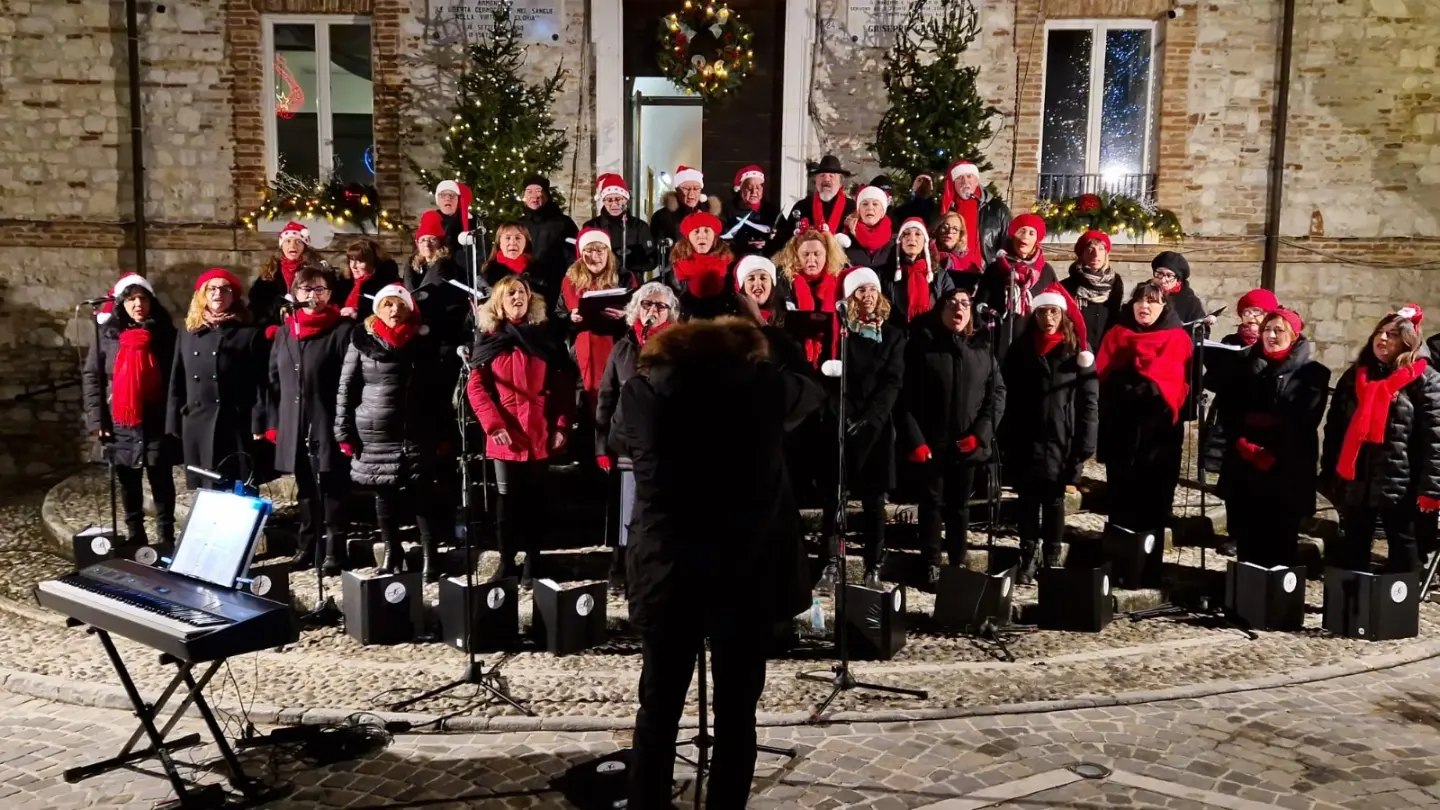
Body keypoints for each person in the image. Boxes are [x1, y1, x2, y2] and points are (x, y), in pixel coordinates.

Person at [612, 315, 824, 810]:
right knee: (736, 714)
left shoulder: (642, 393)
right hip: (744, 569)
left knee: (658, 710)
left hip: (669, 566)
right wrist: (767, 342)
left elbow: (620, 440)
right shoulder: (766, 387)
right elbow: (812, 390)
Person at [466, 276, 577, 587]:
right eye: (511, 294)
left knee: (536, 500)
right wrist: (494, 424)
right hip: (506, 433)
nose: (518, 298)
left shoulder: (544, 338)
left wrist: (560, 425)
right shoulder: (491, 339)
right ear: (499, 302)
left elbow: (563, 387)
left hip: (539, 430)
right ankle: (507, 559)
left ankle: (534, 559)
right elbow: (476, 388)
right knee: (508, 501)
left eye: (523, 293)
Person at [336, 284, 448, 578]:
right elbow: (347, 387)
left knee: (422, 492)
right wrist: (344, 431)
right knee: (383, 493)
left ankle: (429, 555)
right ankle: (391, 550)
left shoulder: (423, 341)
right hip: (375, 429)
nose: (394, 310)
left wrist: (444, 431)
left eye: (400, 305)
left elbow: (438, 390)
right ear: (378, 309)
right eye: (387, 304)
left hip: (415, 426)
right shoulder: (361, 341)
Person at [1321, 305, 1440, 574]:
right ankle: (1352, 608)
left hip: (1403, 484)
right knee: (1353, 545)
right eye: (1380, 332)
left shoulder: (1426, 381)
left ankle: (1398, 609)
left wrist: (1431, 488)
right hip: (1358, 480)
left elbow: (1436, 441)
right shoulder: (1356, 377)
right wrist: (1330, 470)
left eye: (1393, 335)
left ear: (1408, 342)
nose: (1383, 339)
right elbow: (1336, 427)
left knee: (1403, 547)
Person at [899, 286, 1006, 583]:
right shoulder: (923, 346)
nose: (958, 309)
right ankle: (931, 563)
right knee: (932, 504)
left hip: (967, 443)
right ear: (942, 310)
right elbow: (905, 398)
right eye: (952, 303)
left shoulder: (981, 346)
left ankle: (958, 562)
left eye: (965, 304)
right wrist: (915, 440)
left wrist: (981, 434)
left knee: (960, 507)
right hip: (933, 443)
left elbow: (997, 393)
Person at [1214, 307, 1330, 568]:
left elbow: (1301, 420)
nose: (1271, 335)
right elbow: (1230, 410)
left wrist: (1270, 449)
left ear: (1294, 335)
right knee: (1247, 537)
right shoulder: (1245, 366)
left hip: (1286, 466)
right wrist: (1243, 442)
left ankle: (1277, 600)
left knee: (1280, 540)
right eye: (1267, 329)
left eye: (1279, 330)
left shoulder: (1313, 373)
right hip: (1245, 462)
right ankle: (1246, 596)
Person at [1001, 285, 1097, 584]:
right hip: (1026, 437)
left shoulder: (1076, 352)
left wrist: (1085, 443)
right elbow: (1008, 393)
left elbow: (1089, 400)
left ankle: (1053, 555)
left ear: (1062, 315)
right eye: (1042, 312)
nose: (1048, 318)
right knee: (1028, 501)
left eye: (1053, 311)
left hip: (1062, 438)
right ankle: (1028, 554)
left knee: (1054, 501)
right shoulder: (1021, 349)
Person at [265, 266, 355, 575]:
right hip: (296, 422)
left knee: (332, 489)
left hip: (328, 421)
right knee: (305, 489)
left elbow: (351, 380)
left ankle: (334, 549)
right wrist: (277, 421)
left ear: (329, 295)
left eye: (319, 289)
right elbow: (273, 378)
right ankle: (308, 546)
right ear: (295, 294)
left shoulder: (341, 331)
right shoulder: (288, 331)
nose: (312, 296)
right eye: (306, 290)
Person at [594, 281, 679, 594]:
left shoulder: (678, 347)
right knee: (625, 511)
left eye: (659, 305)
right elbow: (606, 395)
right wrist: (602, 445)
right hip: (626, 443)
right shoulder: (623, 347)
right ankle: (620, 568)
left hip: (665, 443)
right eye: (646, 304)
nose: (652, 310)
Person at [83, 274, 179, 550]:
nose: (138, 304)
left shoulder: (165, 335)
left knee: (161, 480)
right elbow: (93, 377)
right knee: (128, 481)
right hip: (121, 421)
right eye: (131, 299)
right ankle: (136, 533)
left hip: (156, 417)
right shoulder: (108, 336)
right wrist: (96, 418)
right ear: (121, 304)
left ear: (151, 302)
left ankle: (166, 537)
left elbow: (176, 376)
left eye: (143, 298)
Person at [1095, 281, 1193, 536]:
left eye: (1152, 301)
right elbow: (1101, 375)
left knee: (1152, 506)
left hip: (1157, 437)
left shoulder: (1177, 338)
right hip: (1121, 430)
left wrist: (1148, 389)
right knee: (1120, 502)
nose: (1144, 306)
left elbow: (1178, 384)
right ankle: (1117, 565)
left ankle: (1149, 570)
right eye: (1140, 300)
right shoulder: (1117, 333)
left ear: (1164, 306)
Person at [828, 267, 906, 586]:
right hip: (844, 424)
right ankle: (834, 558)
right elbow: (832, 377)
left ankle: (875, 562)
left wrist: (870, 419)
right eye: (860, 291)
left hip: (876, 427)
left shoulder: (894, 335)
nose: (868, 296)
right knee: (836, 497)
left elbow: (893, 381)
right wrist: (844, 416)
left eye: (871, 290)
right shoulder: (842, 332)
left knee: (874, 501)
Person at [167, 268, 269, 489]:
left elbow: (262, 382)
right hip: (197, 420)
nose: (218, 294)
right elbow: (177, 378)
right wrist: (173, 419)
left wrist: (259, 422)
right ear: (202, 294)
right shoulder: (188, 332)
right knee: (206, 484)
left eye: (225, 289)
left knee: (239, 483)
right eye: (212, 288)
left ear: (234, 296)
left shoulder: (248, 333)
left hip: (235, 423)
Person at [1201, 287, 1280, 558]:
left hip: (1260, 423)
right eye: (1247, 311)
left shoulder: (1273, 341)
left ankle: (1255, 533)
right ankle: (1235, 533)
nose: (1252, 317)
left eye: (1258, 312)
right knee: (1233, 481)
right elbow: (1213, 382)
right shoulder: (1231, 340)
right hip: (1230, 418)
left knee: (1256, 481)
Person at [556, 227, 635, 450]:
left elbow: (638, 312)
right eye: (588, 251)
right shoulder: (569, 280)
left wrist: (625, 316)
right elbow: (558, 316)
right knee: (585, 408)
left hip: (616, 348)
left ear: (608, 253)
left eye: (600, 250)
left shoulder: (624, 277)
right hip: (583, 352)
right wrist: (570, 317)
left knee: (614, 403)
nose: (594, 256)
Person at [977, 213, 1058, 363]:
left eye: (1031, 233)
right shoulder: (995, 269)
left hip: (1033, 345)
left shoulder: (1046, 271)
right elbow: (980, 306)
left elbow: (1056, 310)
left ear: (1036, 240)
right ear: (1013, 235)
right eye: (1021, 231)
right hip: (998, 343)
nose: (1025, 236)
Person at [774, 229, 845, 366]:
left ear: (827, 255)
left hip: (831, 356)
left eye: (817, 254)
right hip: (795, 354)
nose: (811, 260)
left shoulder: (840, 282)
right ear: (796, 256)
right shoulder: (785, 283)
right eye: (805, 254)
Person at [883, 216, 956, 328]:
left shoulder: (939, 276)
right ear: (900, 241)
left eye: (917, 234)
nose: (912, 239)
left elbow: (951, 305)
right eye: (906, 234)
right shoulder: (888, 274)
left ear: (925, 241)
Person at [663, 210, 735, 321]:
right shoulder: (677, 267)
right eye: (696, 231)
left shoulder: (729, 265)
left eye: (707, 231)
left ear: (714, 236)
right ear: (688, 237)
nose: (702, 236)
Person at [1059, 230, 1123, 353]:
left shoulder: (1115, 282)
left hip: (1106, 348)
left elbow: (1115, 315)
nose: (1096, 254)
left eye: (1101, 249)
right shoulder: (1067, 285)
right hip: (1075, 349)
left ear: (1106, 253)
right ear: (1082, 254)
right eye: (1090, 249)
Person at [250, 221, 324, 328]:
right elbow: (257, 303)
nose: (292, 245)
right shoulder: (271, 271)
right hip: (275, 324)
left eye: (298, 242)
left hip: (306, 323)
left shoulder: (315, 270)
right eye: (288, 241)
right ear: (282, 246)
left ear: (305, 246)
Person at [935, 160, 1011, 265]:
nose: (965, 182)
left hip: (986, 274)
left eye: (969, 176)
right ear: (953, 183)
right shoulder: (944, 210)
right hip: (952, 272)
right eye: (959, 178)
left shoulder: (997, 209)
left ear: (976, 180)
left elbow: (1008, 244)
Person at [517, 174, 579, 301]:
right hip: (526, 285)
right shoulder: (519, 224)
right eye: (529, 192)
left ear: (546, 195)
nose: (534, 196)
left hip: (556, 284)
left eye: (538, 191)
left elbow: (574, 254)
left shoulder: (563, 223)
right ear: (524, 196)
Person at [582, 173, 655, 276]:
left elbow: (652, 260)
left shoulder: (640, 227)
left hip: (632, 284)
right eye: (609, 200)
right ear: (603, 200)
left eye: (618, 199)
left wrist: (630, 264)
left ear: (626, 199)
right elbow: (583, 259)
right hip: (601, 284)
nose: (614, 204)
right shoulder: (591, 226)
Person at [779, 154, 855, 246]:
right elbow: (786, 239)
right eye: (822, 175)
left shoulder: (852, 208)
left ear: (840, 182)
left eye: (832, 176)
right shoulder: (802, 206)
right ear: (816, 181)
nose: (826, 179)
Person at [722, 165, 783, 258]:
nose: (754, 192)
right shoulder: (726, 209)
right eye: (749, 187)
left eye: (758, 187)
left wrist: (774, 238)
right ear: (739, 189)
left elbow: (785, 238)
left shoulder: (772, 211)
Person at [338, 239, 401, 320]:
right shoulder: (345, 282)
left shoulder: (388, 286)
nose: (353, 266)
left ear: (372, 263)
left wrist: (358, 315)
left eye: (359, 261)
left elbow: (389, 315)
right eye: (351, 260)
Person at [649, 165, 706, 246]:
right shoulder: (661, 217)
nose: (691, 194)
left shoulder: (708, 213)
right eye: (686, 188)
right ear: (677, 189)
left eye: (696, 188)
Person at [842, 184, 894, 270]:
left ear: (882, 211)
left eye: (875, 204)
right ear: (859, 210)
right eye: (865, 204)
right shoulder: (845, 238)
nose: (870, 208)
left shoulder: (893, 241)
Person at [1150, 251, 1206, 326]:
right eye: (1159, 274)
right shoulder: (1142, 294)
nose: (1163, 280)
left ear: (1178, 279)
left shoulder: (1190, 302)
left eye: (1169, 276)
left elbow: (1200, 331)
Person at [479, 221, 536, 292]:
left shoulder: (537, 270)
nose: (512, 242)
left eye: (518, 238)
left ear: (526, 243)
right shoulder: (488, 273)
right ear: (499, 243)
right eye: (507, 238)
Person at [931, 210, 983, 279]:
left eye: (955, 229)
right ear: (938, 229)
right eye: (945, 227)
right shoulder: (927, 254)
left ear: (960, 235)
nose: (949, 232)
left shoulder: (970, 261)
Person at [431, 179, 475, 259]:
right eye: (443, 195)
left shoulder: (471, 220)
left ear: (458, 199)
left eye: (452, 195)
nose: (447, 198)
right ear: (438, 200)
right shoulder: (431, 220)